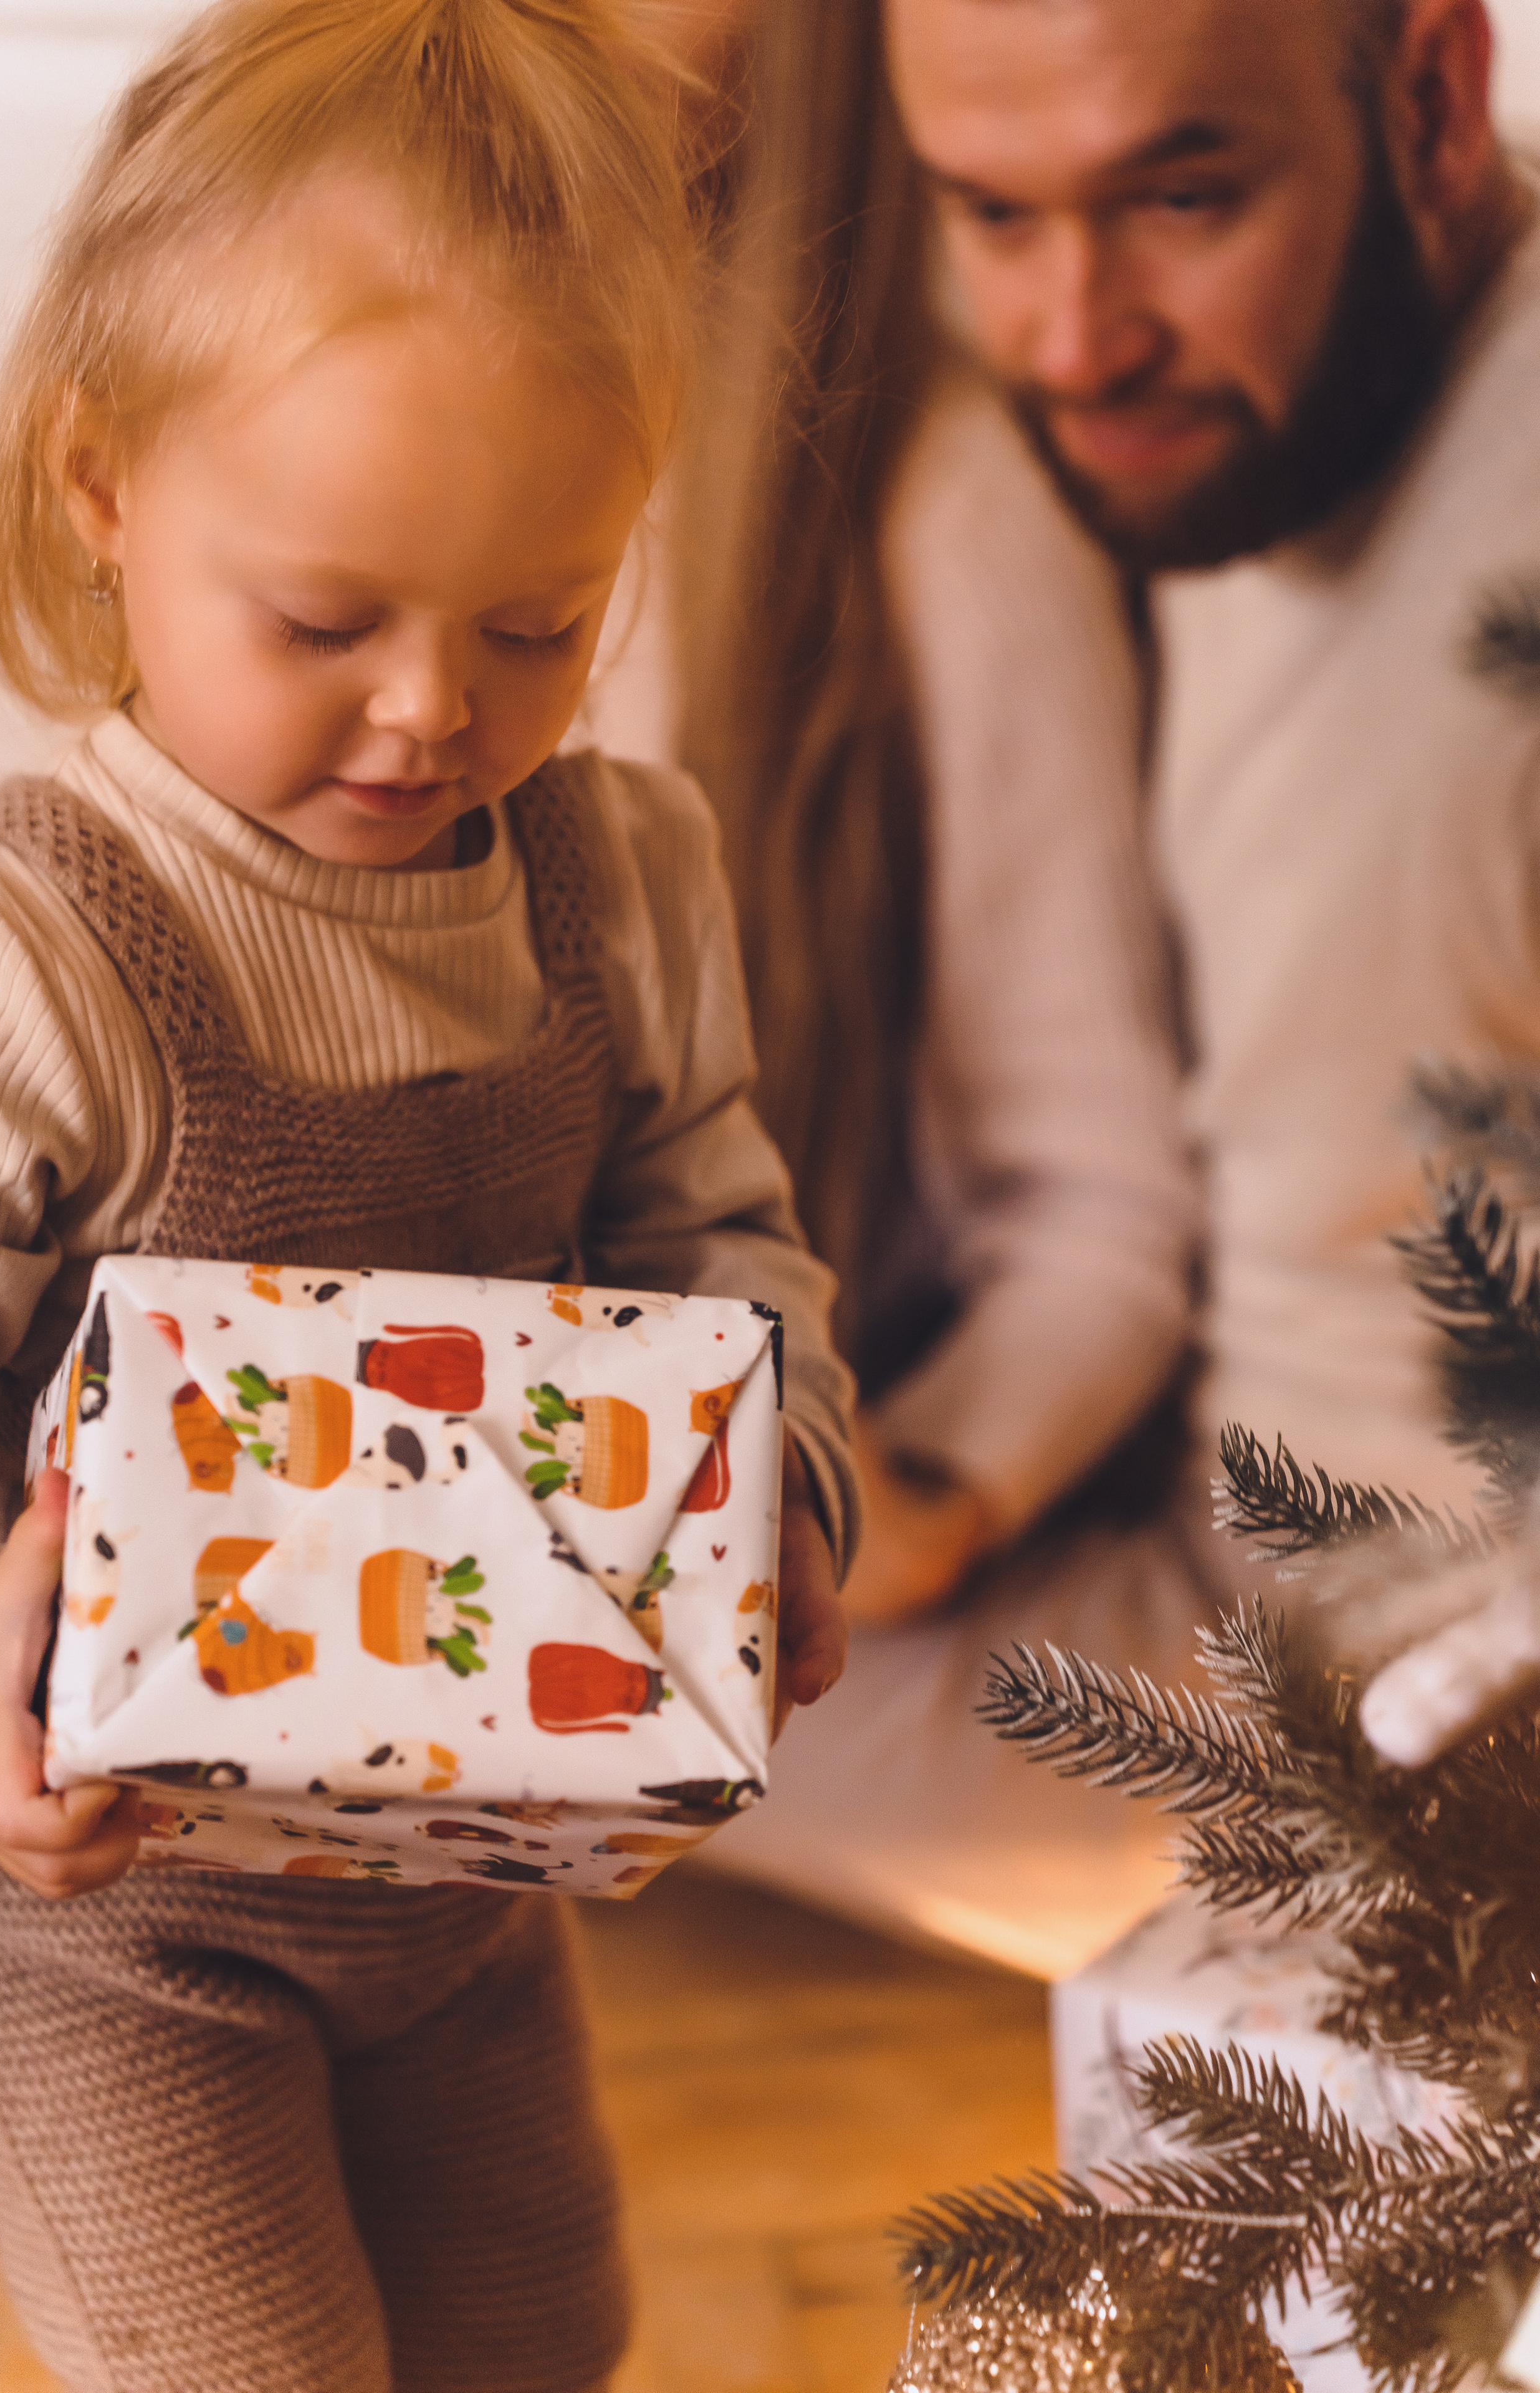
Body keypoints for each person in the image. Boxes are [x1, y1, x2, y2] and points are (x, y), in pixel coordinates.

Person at [0, 4, 856, 2387]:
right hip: (99, 1918)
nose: (435, 710)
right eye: (328, 621)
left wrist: (790, 1489)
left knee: (545, 2332)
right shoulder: (28, 953)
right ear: (102, 486)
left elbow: (717, 1234)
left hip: (464, 1883)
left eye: (541, 619)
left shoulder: (618, 876)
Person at [576, 0, 1204, 1971]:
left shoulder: (933, 514)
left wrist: (910, 1486)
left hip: (762, 1526)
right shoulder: (234, 378)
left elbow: (1104, 1215)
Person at [884, 0, 1538, 1509]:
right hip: (1201, 1559)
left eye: (1182, 200)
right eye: (990, 210)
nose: (1071, 343)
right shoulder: (1240, 409)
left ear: (1434, 103)